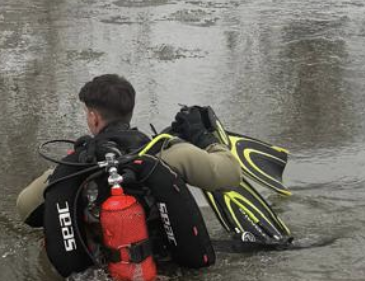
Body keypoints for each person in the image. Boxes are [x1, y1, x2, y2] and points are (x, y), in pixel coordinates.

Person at [16, 74, 242, 227]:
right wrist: (204, 138)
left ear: (94, 118)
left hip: (100, 278)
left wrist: (67, 166)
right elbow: (232, 175)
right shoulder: (170, 156)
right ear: (130, 111)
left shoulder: (77, 166)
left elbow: (24, 207)